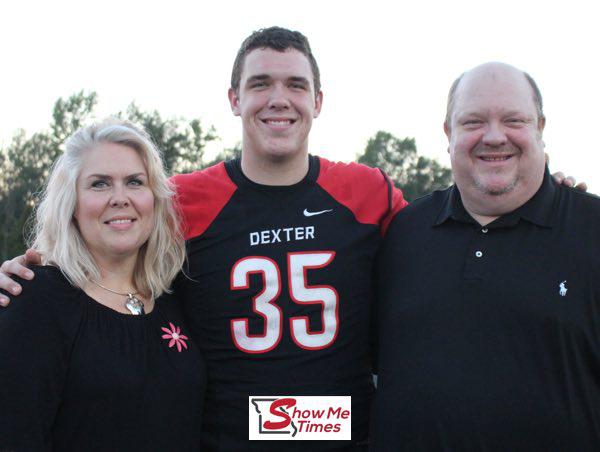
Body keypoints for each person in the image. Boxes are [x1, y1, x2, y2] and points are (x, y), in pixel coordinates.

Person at [0, 30, 588, 451]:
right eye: (260, 84)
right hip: (224, 433)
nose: (278, 98)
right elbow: (107, 235)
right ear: (235, 100)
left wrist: (552, 195)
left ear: (318, 102)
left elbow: (458, 231)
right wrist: (30, 269)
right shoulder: (182, 199)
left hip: (344, 433)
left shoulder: (369, 193)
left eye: (294, 85)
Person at [372, 62, 600, 451]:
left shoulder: (592, 229)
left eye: (513, 120)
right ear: (449, 133)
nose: (494, 137)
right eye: (473, 122)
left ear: (540, 129)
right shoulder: (402, 233)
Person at [0, 119, 206, 451]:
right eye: (99, 184)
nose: (120, 198)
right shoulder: (35, 299)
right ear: (72, 205)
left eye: (135, 182)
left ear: (154, 199)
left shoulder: (175, 294)